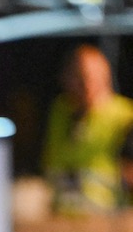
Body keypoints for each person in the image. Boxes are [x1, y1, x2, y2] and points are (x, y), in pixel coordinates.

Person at [41, 44, 133, 214]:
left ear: (106, 77)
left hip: (110, 220)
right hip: (62, 217)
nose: (86, 84)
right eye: (78, 77)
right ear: (64, 78)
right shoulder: (60, 111)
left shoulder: (125, 115)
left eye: (92, 77)